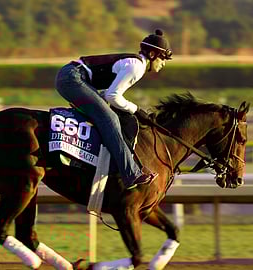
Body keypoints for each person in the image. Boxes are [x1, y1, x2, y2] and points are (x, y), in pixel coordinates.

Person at [55, 29, 172, 190]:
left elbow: (107, 95)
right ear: (152, 55)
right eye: (163, 58)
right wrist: (137, 110)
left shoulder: (135, 64)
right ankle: (131, 174)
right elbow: (113, 96)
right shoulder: (136, 67)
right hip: (72, 78)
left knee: (107, 114)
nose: (163, 63)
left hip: (72, 76)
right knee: (110, 119)